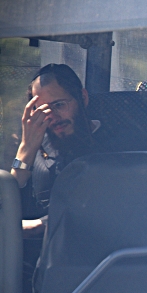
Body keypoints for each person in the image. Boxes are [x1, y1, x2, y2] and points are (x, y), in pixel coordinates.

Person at [11, 64, 111, 238]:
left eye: (59, 105)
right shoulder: (38, 146)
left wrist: (43, 225)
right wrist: (26, 149)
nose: (52, 117)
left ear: (83, 97)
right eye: (42, 110)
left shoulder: (114, 142)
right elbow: (7, 207)